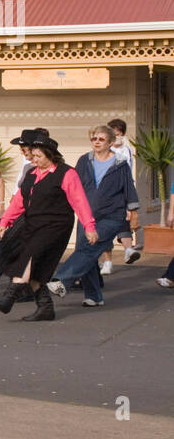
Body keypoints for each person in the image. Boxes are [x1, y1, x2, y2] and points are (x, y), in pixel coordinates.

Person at [0, 132, 98, 322]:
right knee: (37, 269)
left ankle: (9, 297)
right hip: (33, 224)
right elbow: (19, 202)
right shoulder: (32, 174)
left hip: (56, 225)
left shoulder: (66, 173)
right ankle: (45, 308)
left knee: (29, 255)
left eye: (39, 156)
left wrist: (89, 226)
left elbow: (79, 202)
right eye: (33, 156)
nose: (35, 160)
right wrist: (5, 221)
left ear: (51, 154)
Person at [45, 125, 140, 307]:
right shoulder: (84, 161)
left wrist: (134, 214)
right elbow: (74, 186)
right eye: (94, 138)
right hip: (86, 215)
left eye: (101, 139)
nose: (96, 142)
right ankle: (94, 296)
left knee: (88, 248)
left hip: (112, 216)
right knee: (85, 252)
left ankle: (61, 280)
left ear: (111, 142)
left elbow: (129, 189)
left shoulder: (120, 164)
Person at [0, 127, 49, 300]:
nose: (22, 153)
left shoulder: (41, 168)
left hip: (30, 216)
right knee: (8, 249)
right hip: (20, 213)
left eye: (24, 149)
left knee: (11, 249)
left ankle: (4, 284)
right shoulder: (28, 166)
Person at [101, 118, 140, 271]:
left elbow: (128, 174)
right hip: (105, 194)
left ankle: (129, 250)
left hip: (122, 191)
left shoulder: (127, 150)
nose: (117, 138)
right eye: (114, 134)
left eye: (119, 134)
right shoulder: (104, 151)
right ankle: (107, 261)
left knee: (124, 221)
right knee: (104, 227)